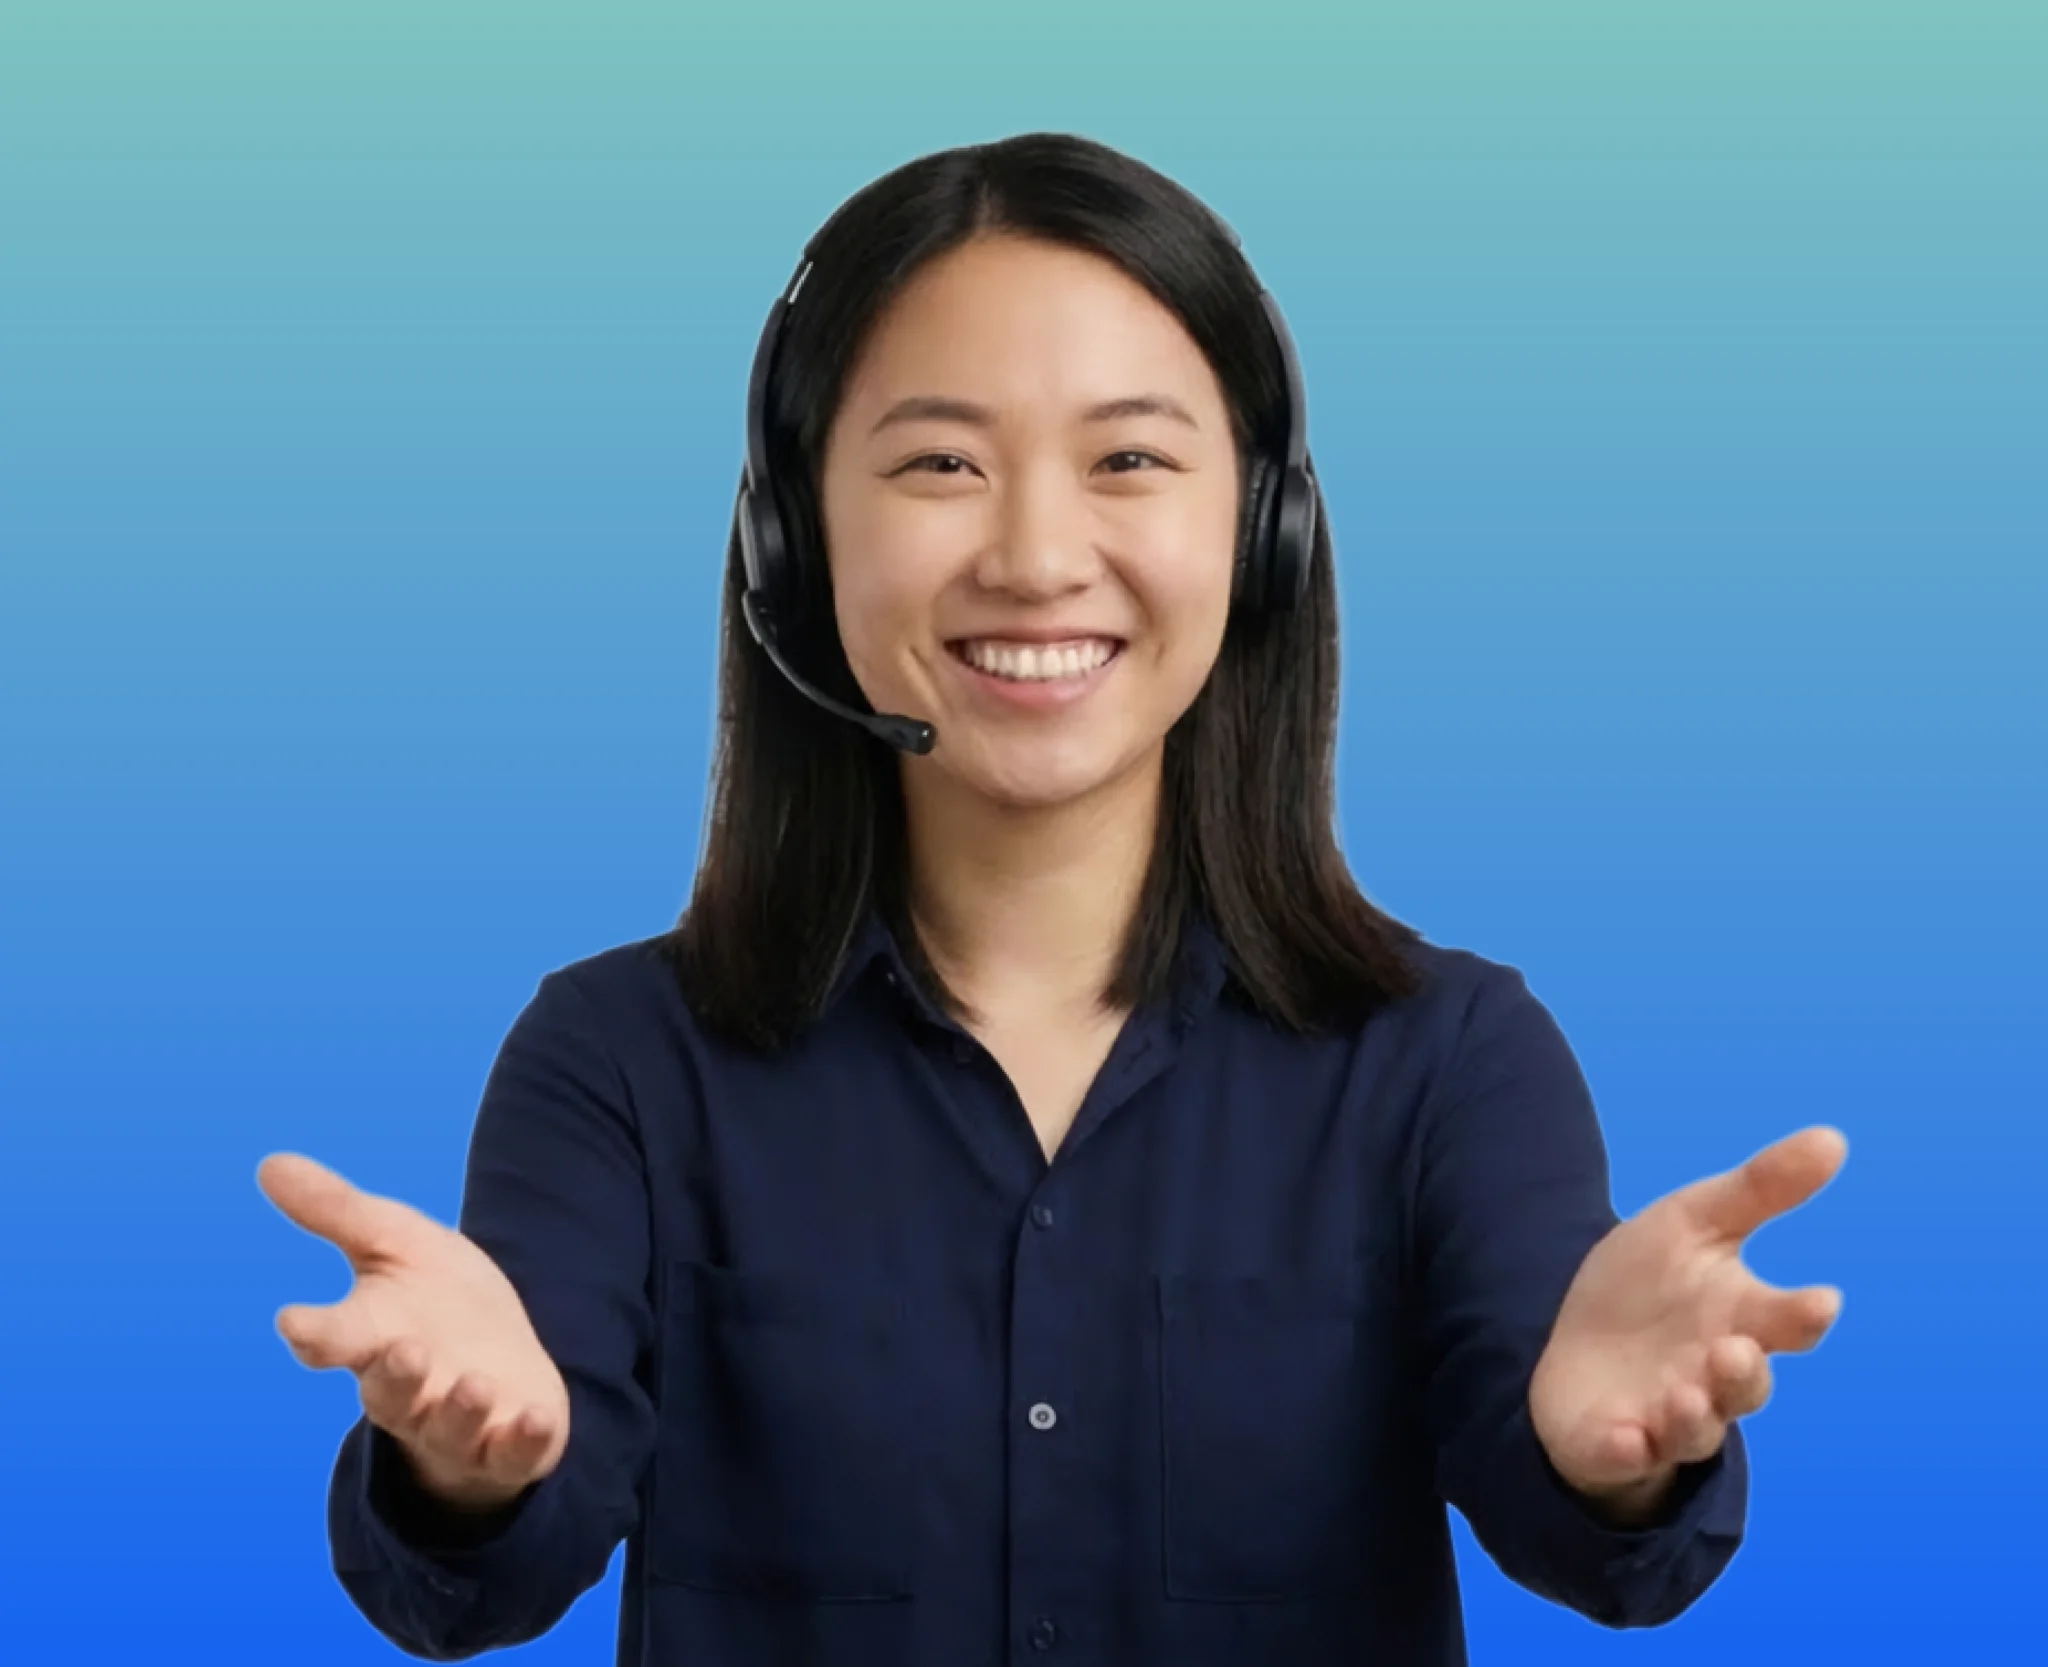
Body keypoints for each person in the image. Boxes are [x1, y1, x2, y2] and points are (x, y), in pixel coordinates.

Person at [258, 130, 1846, 1667]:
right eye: (940, 462)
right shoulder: (615, 1060)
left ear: (1266, 531)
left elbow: (1597, 1544)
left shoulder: (1451, 1061)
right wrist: (461, 1463)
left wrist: (1615, 1460)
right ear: (794, 538)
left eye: (1129, 460)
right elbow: (482, 1576)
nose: (1033, 556)